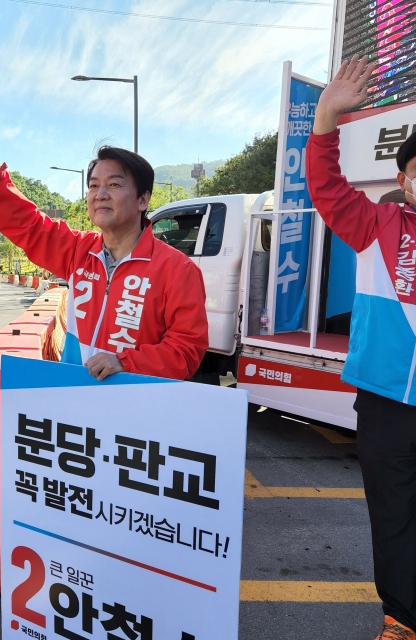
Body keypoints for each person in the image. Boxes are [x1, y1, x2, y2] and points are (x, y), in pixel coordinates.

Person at [0, 103, 208, 381]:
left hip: (134, 413)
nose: (100, 194)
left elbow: (186, 349)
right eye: (94, 185)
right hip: (74, 404)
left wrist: (125, 363)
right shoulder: (78, 250)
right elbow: (29, 226)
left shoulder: (177, 270)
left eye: (115, 184)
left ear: (143, 200)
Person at [307, 56, 416, 640]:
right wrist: (324, 119)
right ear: (404, 180)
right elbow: (324, 186)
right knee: (393, 515)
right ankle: (402, 618)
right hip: (385, 403)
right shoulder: (377, 224)